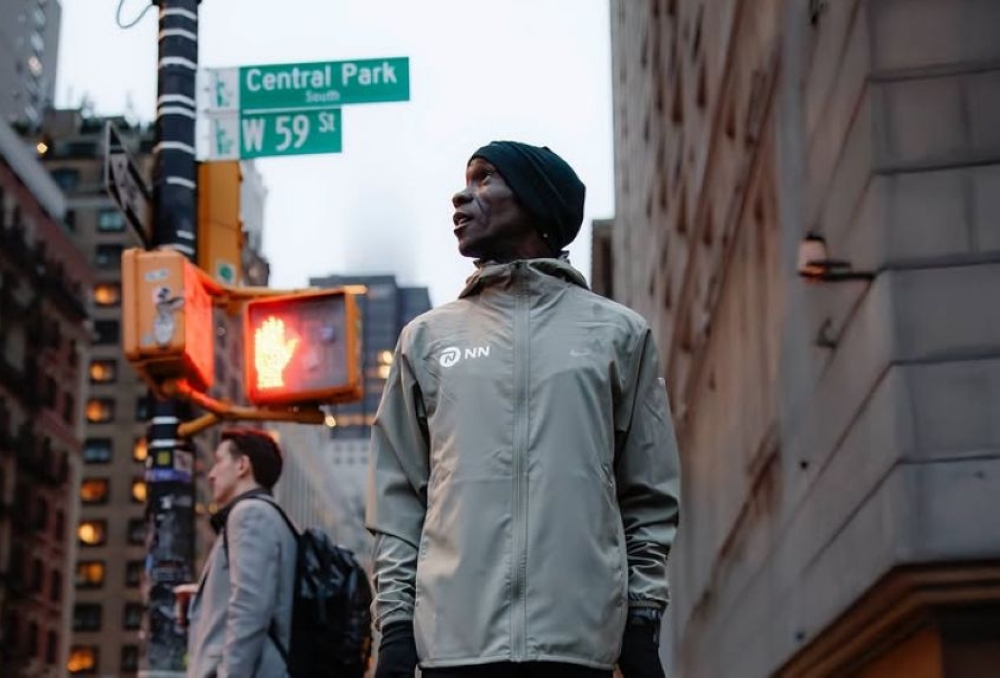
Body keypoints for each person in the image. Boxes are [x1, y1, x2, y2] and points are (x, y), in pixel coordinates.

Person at [367, 141, 682, 678]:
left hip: (578, 645)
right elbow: (397, 496)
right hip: (453, 647)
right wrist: (395, 628)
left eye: (486, 178)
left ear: (536, 200)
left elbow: (647, 492)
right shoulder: (426, 339)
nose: (462, 195)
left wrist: (642, 618)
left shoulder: (618, 334)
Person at [186, 429, 298, 678]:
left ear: (242, 466)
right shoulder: (270, 517)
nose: (211, 474)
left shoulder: (250, 514)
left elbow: (250, 608)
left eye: (219, 462)